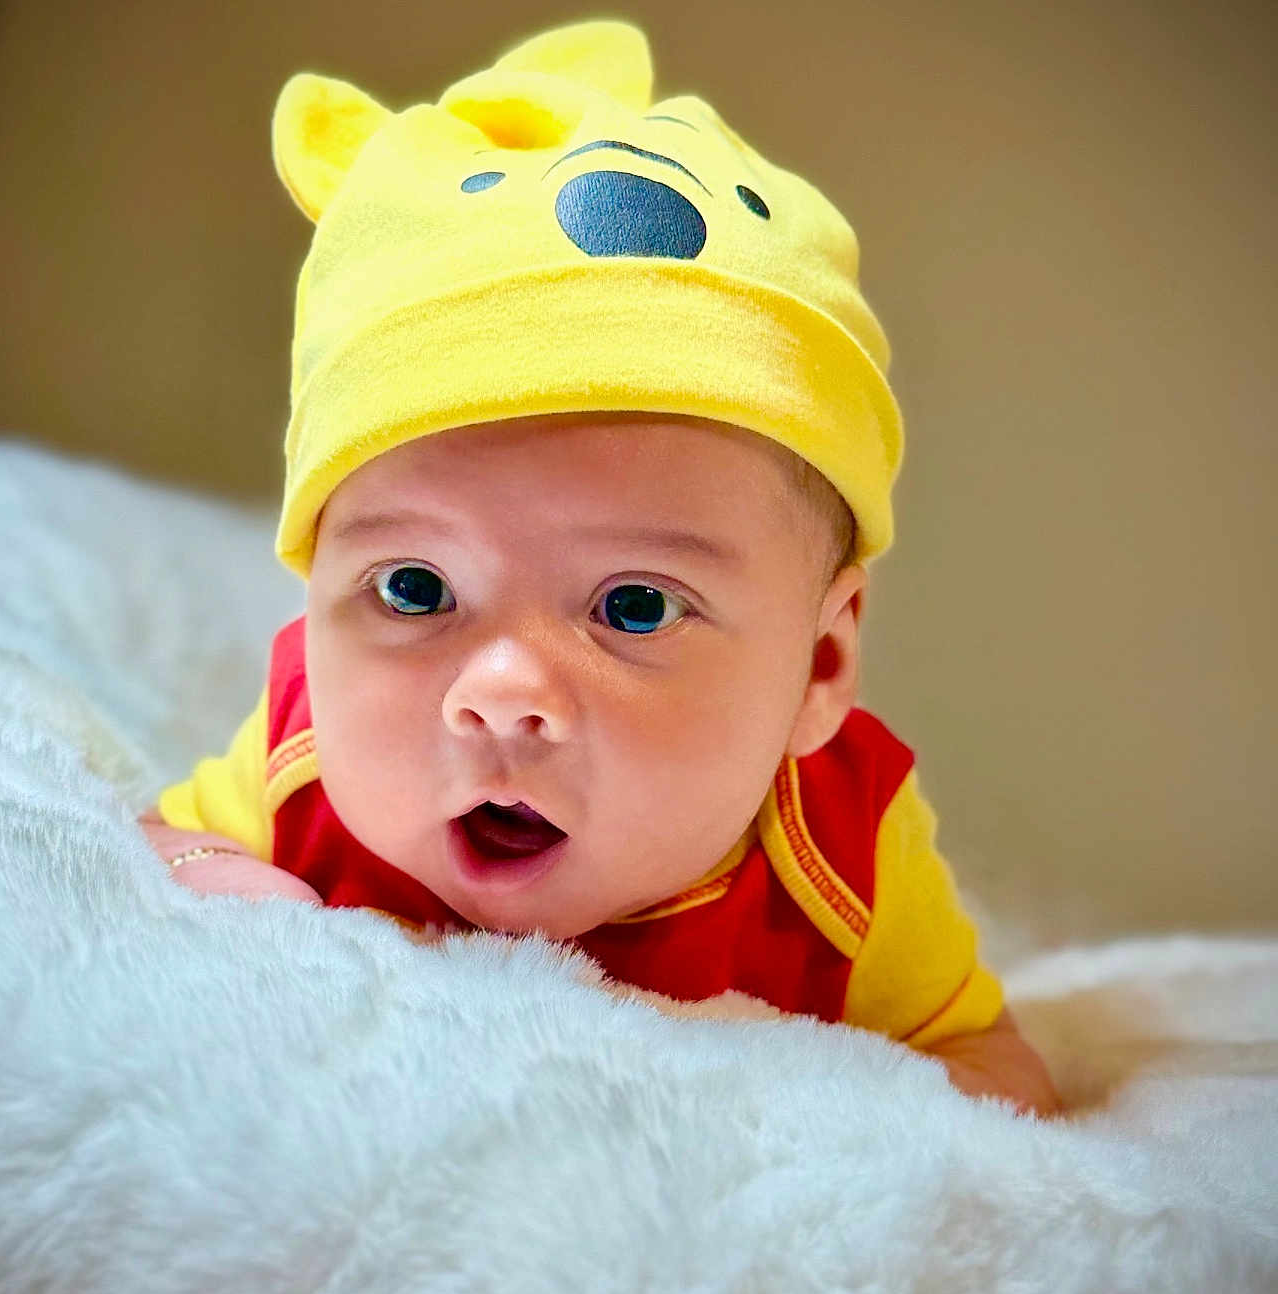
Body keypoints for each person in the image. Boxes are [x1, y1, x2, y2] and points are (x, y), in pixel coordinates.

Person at [140, 18, 1061, 1118]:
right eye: (414, 588)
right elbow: (158, 851)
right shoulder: (300, 751)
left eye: (634, 606)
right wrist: (224, 890)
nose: (501, 694)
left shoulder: (842, 852)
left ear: (819, 665)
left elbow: (992, 1075)